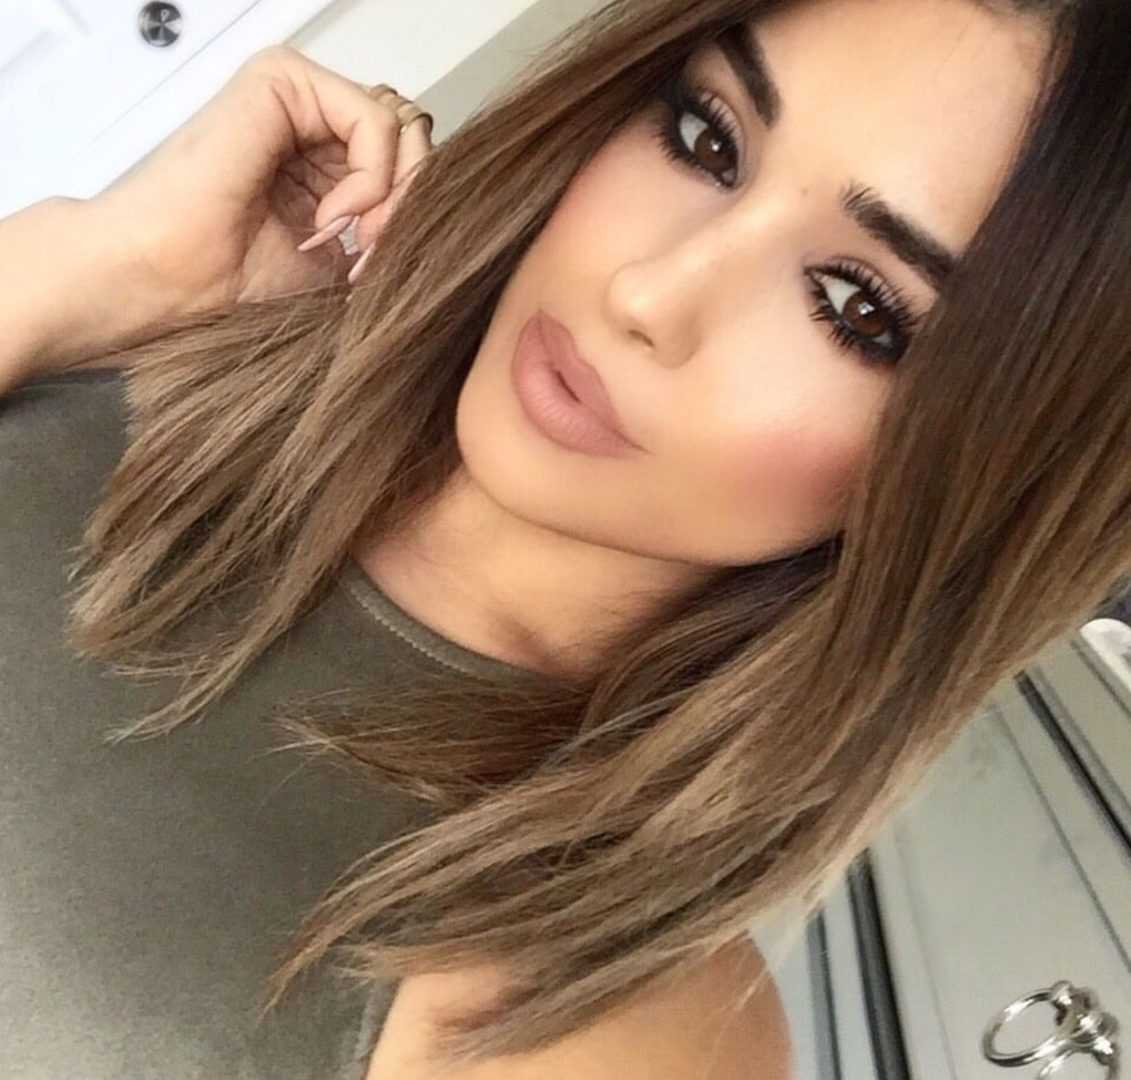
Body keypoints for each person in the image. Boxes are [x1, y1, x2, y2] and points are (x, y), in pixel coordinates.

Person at [2, 0, 1129, 1076]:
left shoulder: (598, 1023)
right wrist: (85, 269)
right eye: (707, 139)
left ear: (988, 488)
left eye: (855, 307)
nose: (649, 292)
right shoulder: (157, 341)